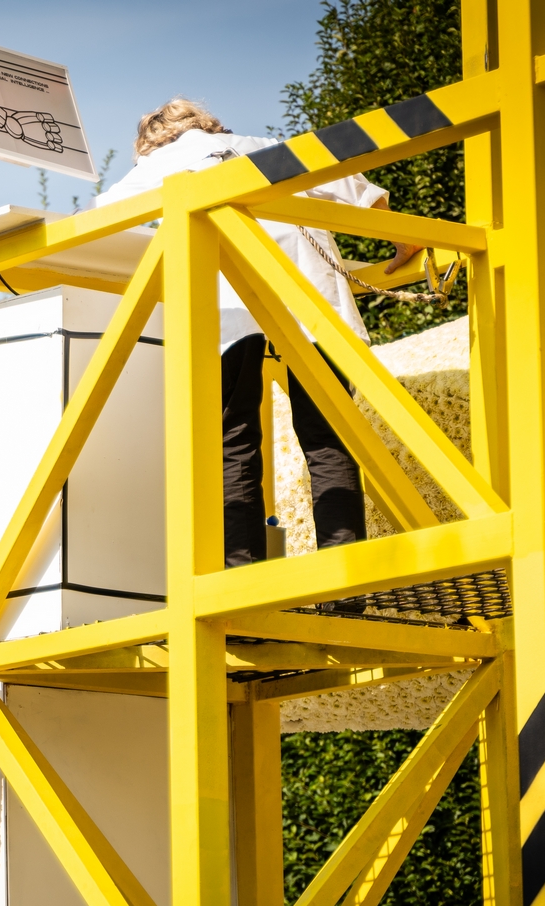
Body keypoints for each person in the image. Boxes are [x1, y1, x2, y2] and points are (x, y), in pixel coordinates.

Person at [93, 99, 422, 566]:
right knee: (328, 436)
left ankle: (241, 573)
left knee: (234, 442)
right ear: (209, 125)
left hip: (227, 303)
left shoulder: (159, 163)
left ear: (150, 142)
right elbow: (356, 186)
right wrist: (403, 241)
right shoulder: (266, 146)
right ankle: (344, 576)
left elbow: (99, 217)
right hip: (307, 292)